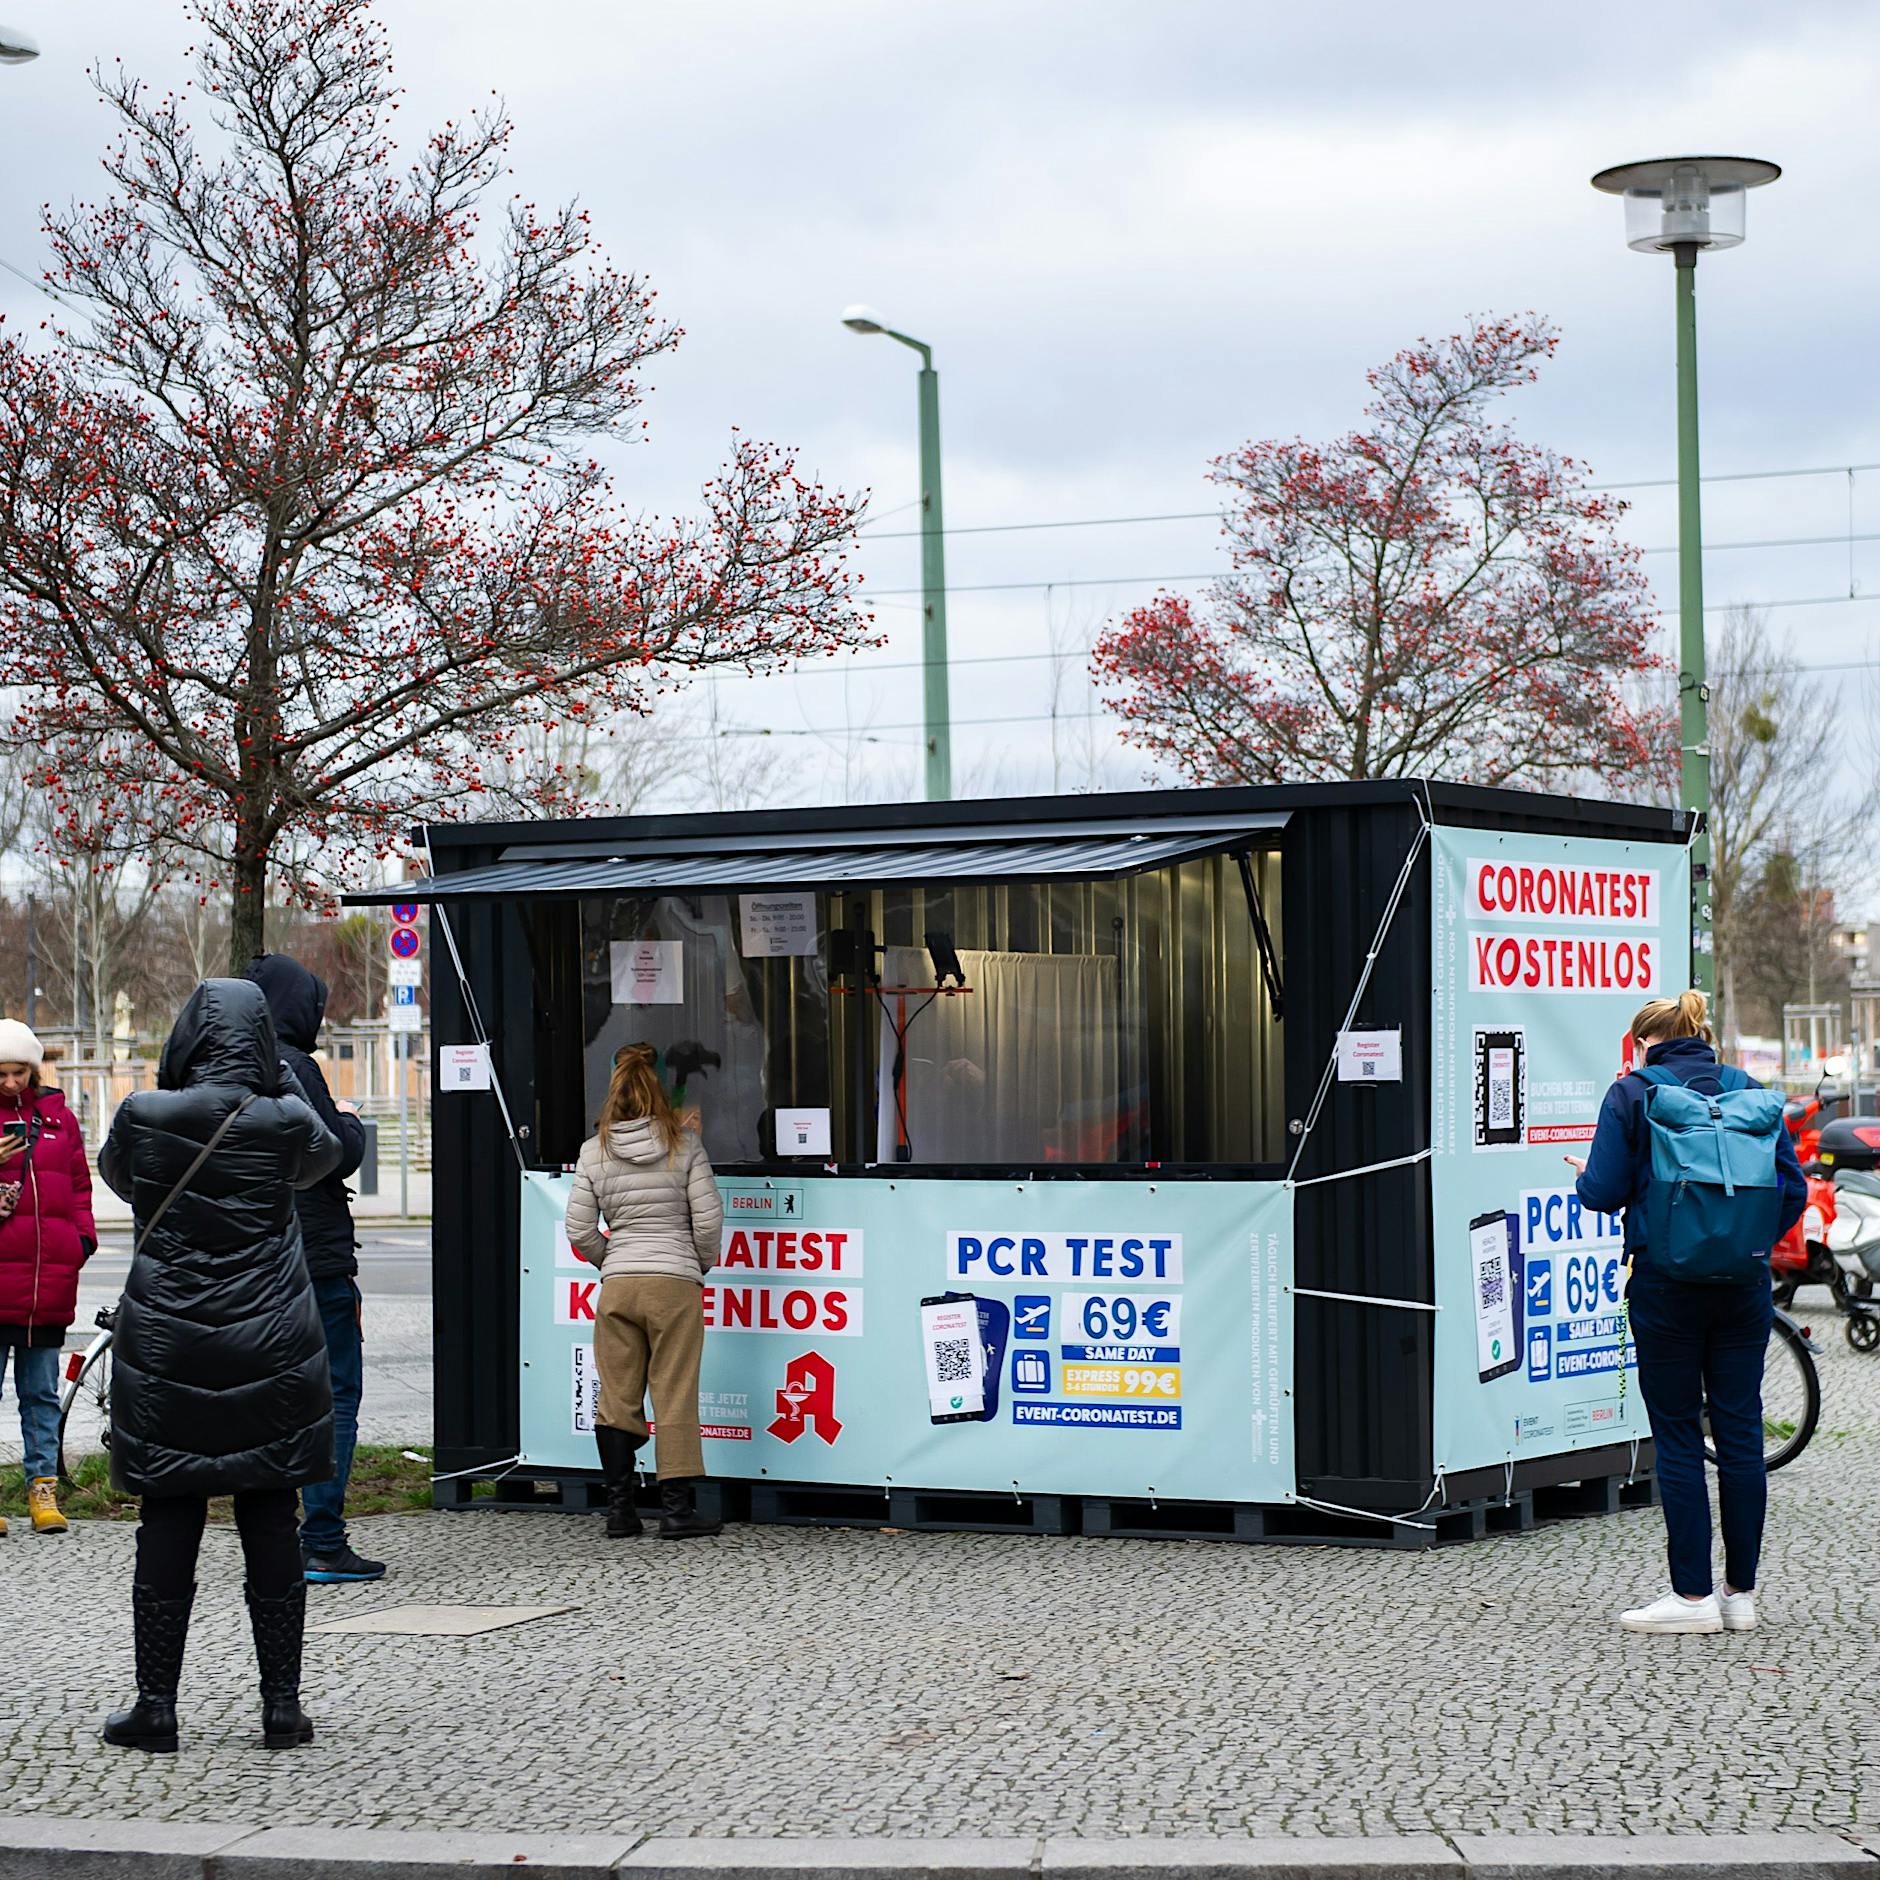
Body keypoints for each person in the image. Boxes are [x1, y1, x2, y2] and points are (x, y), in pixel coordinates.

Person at [98, 978, 343, 1753]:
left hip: (170, 1342)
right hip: (270, 1338)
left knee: (169, 1512)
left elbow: (119, 1178)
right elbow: (324, 1162)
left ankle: (156, 1708)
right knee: (271, 1515)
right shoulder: (284, 1120)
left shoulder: (143, 1114)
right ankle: (281, 1708)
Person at [1571, 989, 1805, 1636]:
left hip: (1666, 1285)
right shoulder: (1748, 1089)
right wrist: (1745, 1241)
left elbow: (1599, 1192)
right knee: (1740, 1434)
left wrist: (1589, 1175)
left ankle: (1692, 1598)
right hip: (1743, 1288)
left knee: (1676, 1436)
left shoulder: (1633, 1093)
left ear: (1646, 1043)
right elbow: (1792, 1189)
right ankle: (1741, 1596)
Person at [246, 953, 380, 1584]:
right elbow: (336, 1153)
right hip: (317, 1260)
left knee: (266, 1397)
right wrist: (350, 1119)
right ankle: (323, 1539)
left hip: (252, 1259)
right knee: (333, 1395)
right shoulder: (295, 1065)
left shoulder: (219, 1068)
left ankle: (268, 1538)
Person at [565, 1041, 724, 1541]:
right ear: (658, 1091)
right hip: (673, 1283)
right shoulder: (685, 1145)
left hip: (619, 1286)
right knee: (673, 1394)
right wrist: (694, 1264)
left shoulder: (594, 1151)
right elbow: (709, 1219)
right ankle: (676, 1513)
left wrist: (609, 1261)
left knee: (615, 1399)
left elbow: (578, 1228)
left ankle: (620, 1512)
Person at [0, 1019, 98, 1537]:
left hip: (47, 1283)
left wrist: (81, 1241)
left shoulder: (59, 1119)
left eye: (20, 1073)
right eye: (2, 1074)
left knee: (40, 1394)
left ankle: (43, 1493)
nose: (12, 1083)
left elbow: (81, 1187)